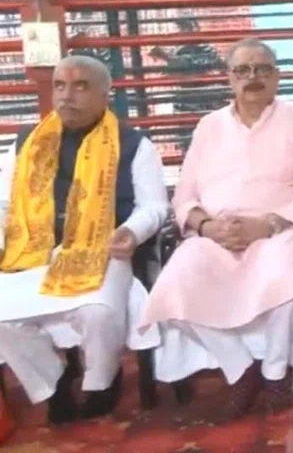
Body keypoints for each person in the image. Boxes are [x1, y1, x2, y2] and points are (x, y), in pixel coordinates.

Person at [139, 38, 293, 421]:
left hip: (275, 228)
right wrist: (207, 227)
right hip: (215, 234)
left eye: (262, 69)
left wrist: (268, 224)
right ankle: (240, 369)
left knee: (289, 285)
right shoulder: (209, 127)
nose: (252, 77)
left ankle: (275, 373)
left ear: (277, 77)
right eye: (243, 70)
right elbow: (184, 195)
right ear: (229, 78)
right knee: (171, 289)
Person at [0, 56, 169, 424]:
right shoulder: (27, 143)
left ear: (106, 95)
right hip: (33, 251)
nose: (66, 96)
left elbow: (154, 206)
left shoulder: (133, 144)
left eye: (80, 86)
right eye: (60, 86)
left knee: (99, 312)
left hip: (102, 250)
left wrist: (132, 231)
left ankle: (101, 382)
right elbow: (4, 203)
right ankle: (54, 382)